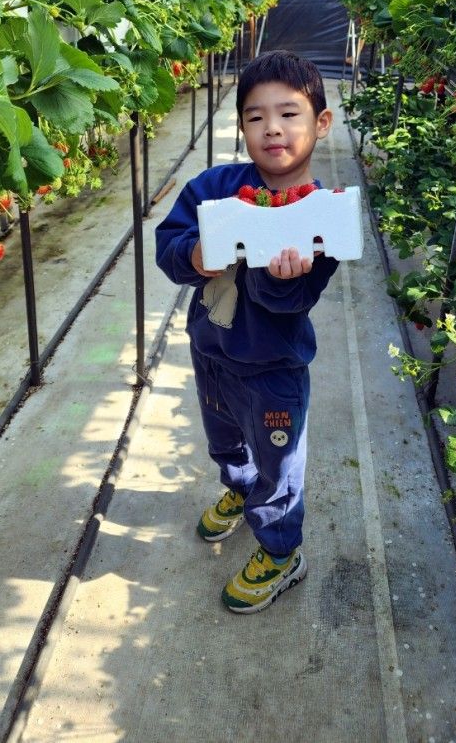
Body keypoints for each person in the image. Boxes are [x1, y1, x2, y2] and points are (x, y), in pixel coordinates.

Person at [155, 50, 339, 614]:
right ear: (241, 126)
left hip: (272, 371)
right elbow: (169, 245)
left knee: (278, 465)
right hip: (211, 352)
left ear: (321, 124)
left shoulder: (321, 216)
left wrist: (279, 274)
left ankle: (282, 552)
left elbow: (292, 301)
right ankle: (237, 487)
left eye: (289, 114)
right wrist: (195, 253)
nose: (273, 129)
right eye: (256, 117)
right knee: (225, 439)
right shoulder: (214, 187)